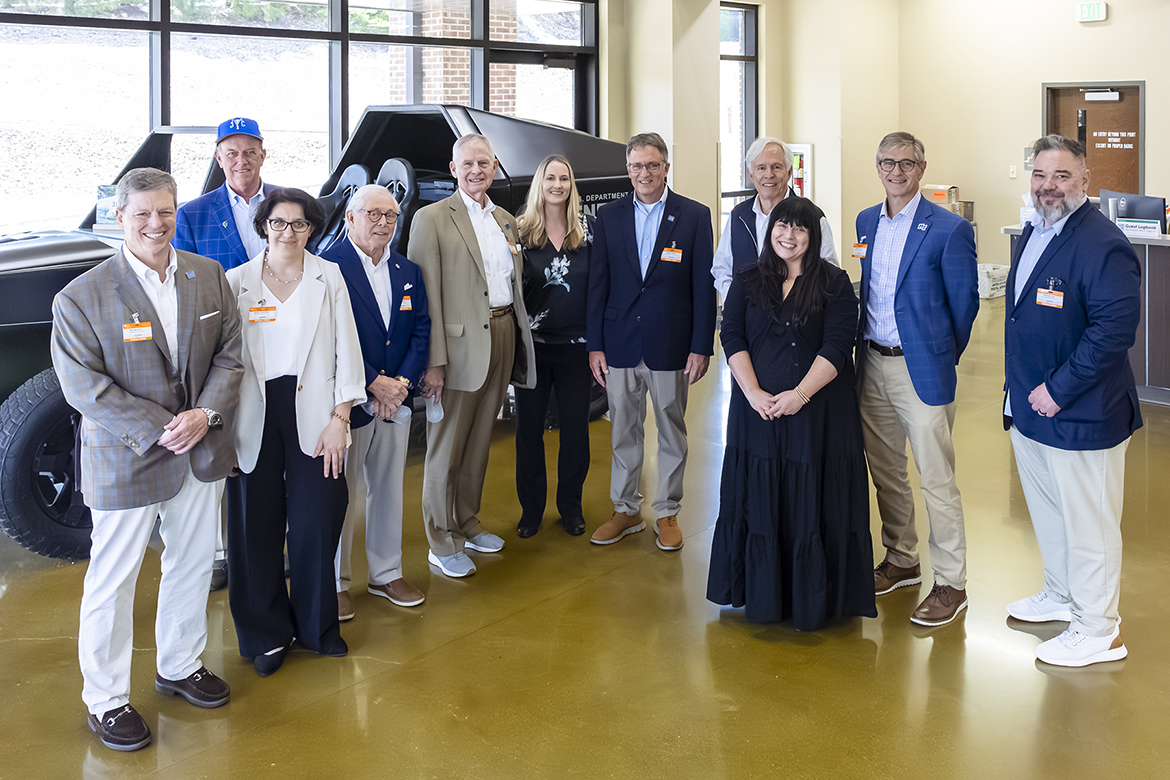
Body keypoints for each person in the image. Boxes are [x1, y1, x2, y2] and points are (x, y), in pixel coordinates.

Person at [51, 167, 243, 751]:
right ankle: (106, 699)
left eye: (165, 212)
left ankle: (180, 664)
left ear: (176, 211)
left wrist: (203, 416)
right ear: (120, 217)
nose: (155, 224)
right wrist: (167, 427)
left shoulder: (208, 277)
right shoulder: (81, 296)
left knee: (189, 565)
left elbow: (232, 354)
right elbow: (84, 386)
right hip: (128, 457)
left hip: (199, 450)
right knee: (113, 580)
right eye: (142, 214)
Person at [1003, 134, 1142, 667]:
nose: (1049, 186)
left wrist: (1058, 390)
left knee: (1090, 525)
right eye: (1041, 175)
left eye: (1062, 176)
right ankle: (1062, 595)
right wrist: (1021, 397)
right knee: (1052, 514)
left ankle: (1098, 628)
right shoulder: (1035, 230)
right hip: (1033, 411)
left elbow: (1113, 332)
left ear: (1085, 179)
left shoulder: (1102, 241)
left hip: (1081, 412)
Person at [707, 197, 875, 629]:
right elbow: (732, 334)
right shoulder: (748, 280)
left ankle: (813, 599)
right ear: (770, 230)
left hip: (818, 416)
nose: (789, 235)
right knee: (761, 498)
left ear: (813, 235)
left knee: (812, 500)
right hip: (757, 413)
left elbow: (838, 345)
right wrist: (753, 392)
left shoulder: (835, 283)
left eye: (800, 228)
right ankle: (765, 595)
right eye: (782, 226)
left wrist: (798, 395)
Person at [225, 188, 366, 676]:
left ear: (313, 229)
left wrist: (340, 417)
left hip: (317, 414)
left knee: (317, 519)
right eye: (280, 223)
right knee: (253, 525)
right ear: (264, 225)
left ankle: (316, 626)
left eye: (300, 224)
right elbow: (224, 363)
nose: (289, 232)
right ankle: (265, 635)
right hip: (253, 413)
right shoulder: (236, 281)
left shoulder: (330, 277)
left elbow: (347, 347)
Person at [854, 131, 978, 627]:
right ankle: (902, 558)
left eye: (906, 163)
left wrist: (935, 354)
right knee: (885, 471)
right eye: (888, 162)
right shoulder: (866, 221)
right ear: (878, 166)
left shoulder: (948, 229)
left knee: (937, 479)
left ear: (921, 169)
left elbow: (964, 307)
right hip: (871, 364)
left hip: (920, 369)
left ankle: (952, 583)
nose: (896, 171)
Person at [409, 133, 537, 578]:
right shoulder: (431, 219)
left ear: (495, 165)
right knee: (446, 448)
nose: (476, 171)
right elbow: (424, 297)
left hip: (501, 335)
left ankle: (467, 523)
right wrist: (434, 361)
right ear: (453, 169)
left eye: (484, 163)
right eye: (468, 164)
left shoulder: (505, 219)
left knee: (481, 440)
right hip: (457, 347)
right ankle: (440, 540)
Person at [586, 132, 717, 551]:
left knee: (670, 430)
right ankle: (625, 509)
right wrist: (596, 345)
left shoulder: (694, 216)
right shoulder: (609, 216)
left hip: (672, 344)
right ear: (628, 170)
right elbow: (598, 284)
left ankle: (667, 512)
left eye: (652, 165)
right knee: (623, 428)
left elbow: (703, 287)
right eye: (637, 166)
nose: (644, 173)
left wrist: (701, 345)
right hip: (620, 340)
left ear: (665, 167)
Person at [173, 116, 280, 590]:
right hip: (218, 347)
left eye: (249, 151)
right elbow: (181, 283)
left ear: (263, 154)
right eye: (230, 153)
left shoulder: (286, 203)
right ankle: (220, 553)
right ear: (219, 158)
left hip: (278, 343)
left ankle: (272, 544)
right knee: (222, 442)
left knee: (271, 442)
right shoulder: (193, 214)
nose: (241, 161)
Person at [319, 185, 430, 619]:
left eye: (390, 215)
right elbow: (326, 337)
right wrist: (371, 384)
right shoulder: (328, 267)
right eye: (372, 214)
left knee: (388, 489)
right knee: (341, 495)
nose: (383, 223)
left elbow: (420, 330)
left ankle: (386, 573)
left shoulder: (408, 271)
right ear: (349, 218)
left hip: (395, 401)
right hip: (349, 403)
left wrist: (400, 383)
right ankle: (335, 581)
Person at [513, 154, 596, 538]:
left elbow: (600, 291)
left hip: (576, 349)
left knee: (575, 432)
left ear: (571, 185)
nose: (558, 185)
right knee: (528, 431)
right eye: (551, 178)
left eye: (564, 178)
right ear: (540, 184)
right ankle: (531, 511)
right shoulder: (519, 231)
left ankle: (571, 508)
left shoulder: (589, 231)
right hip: (532, 348)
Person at [712, 137, 838, 301]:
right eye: (761, 168)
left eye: (776, 167)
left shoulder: (813, 217)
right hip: (747, 320)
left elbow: (829, 271)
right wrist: (735, 301)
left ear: (789, 172)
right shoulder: (738, 216)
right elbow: (722, 267)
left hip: (796, 318)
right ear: (751, 174)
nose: (768, 174)